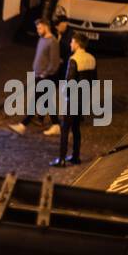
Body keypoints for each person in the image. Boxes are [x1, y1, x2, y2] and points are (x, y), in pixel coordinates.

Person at [51, 32, 97, 167]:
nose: (70, 44)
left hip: (73, 100)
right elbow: (94, 80)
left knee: (65, 129)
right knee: (76, 129)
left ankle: (62, 159)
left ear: (77, 44)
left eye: (72, 42)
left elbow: (69, 81)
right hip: (83, 99)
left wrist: (65, 96)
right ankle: (76, 156)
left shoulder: (74, 59)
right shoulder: (92, 59)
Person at [8, 19, 60, 135]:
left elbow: (54, 63)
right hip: (38, 75)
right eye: (37, 28)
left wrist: (44, 74)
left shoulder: (53, 42)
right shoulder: (42, 39)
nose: (38, 30)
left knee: (35, 100)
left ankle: (23, 125)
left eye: (40, 28)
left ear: (46, 27)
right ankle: (57, 125)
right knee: (46, 101)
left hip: (45, 77)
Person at [44, 18, 73, 138]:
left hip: (64, 72)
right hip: (57, 71)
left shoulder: (69, 37)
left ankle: (61, 124)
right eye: (60, 25)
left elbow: (68, 53)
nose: (64, 26)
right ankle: (56, 123)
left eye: (64, 24)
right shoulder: (57, 35)